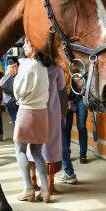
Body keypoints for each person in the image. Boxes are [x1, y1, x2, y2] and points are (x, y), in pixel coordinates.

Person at [13, 40, 52, 203]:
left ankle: (28, 189)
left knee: (20, 150)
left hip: (27, 111)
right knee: (37, 153)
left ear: (35, 48)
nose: (24, 47)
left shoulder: (28, 66)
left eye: (27, 44)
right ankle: (45, 190)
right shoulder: (44, 67)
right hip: (42, 113)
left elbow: (19, 91)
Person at [33, 57, 67, 195]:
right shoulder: (57, 69)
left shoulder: (33, 67)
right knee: (51, 144)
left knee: (34, 143)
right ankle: (50, 184)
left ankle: (33, 180)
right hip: (52, 109)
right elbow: (61, 87)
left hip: (35, 108)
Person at [58, 86, 88, 185]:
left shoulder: (80, 71)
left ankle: (82, 154)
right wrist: (65, 101)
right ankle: (68, 165)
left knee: (82, 127)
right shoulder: (60, 71)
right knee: (65, 132)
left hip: (80, 98)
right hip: (65, 101)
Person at [0, 55, 20, 139]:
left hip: (9, 100)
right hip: (14, 99)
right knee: (16, 118)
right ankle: (18, 137)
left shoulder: (7, 73)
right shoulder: (19, 71)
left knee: (15, 118)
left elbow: (1, 84)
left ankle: (18, 137)